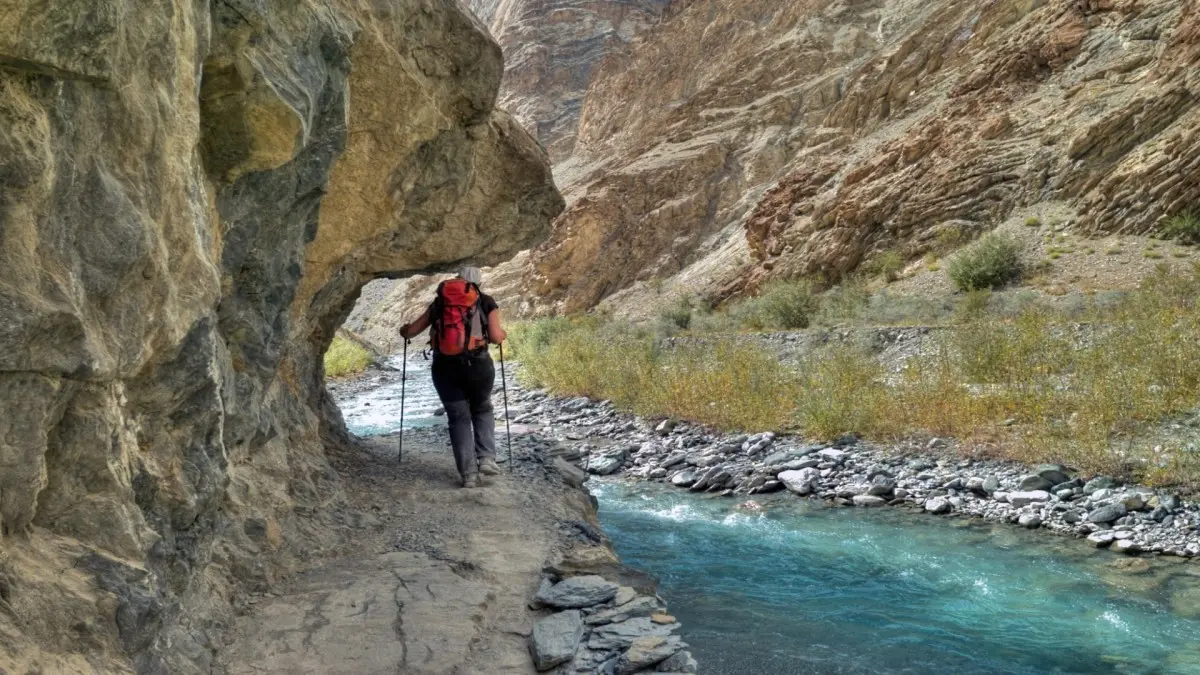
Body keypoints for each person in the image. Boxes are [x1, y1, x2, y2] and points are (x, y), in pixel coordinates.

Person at [399, 267, 507, 488]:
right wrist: (502, 334)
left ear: (457, 279)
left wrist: (404, 331)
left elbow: (411, 332)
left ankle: (468, 474)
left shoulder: (440, 303)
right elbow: (496, 337)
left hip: (445, 367)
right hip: (478, 366)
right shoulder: (486, 301)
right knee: (482, 408)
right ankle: (486, 458)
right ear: (477, 282)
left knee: (458, 417)